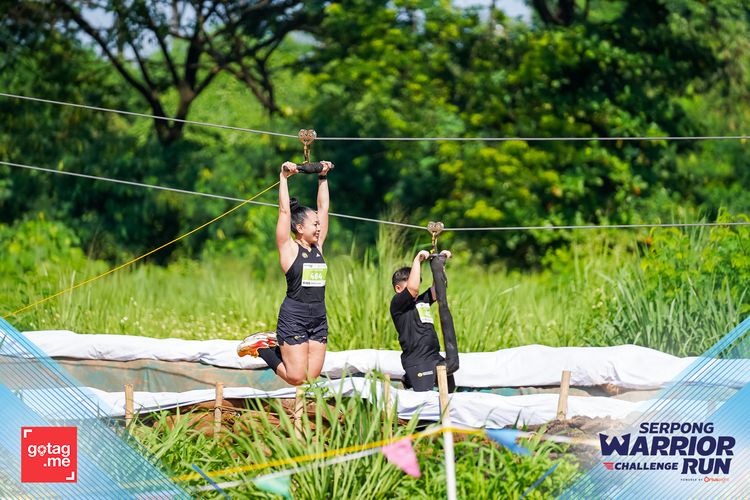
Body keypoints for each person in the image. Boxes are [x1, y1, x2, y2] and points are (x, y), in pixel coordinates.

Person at [237, 160, 332, 385]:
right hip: (294, 316)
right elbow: (284, 211)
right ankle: (263, 347)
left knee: (311, 377)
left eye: (319, 225)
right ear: (299, 228)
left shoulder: (318, 246)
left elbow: (323, 208)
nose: (319, 228)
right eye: (314, 225)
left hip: (318, 316)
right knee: (296, 377)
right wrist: (284, 178)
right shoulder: (289, 249)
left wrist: (323, 176)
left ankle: (278, 343)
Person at [390, 249, 457, 392]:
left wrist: (439, 263)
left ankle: (407, 382)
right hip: (418, 361)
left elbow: (438, 289)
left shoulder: (421, 301)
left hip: (434, 357)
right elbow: (413, 289)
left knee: (450, 395)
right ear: (398, 288)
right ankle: (408, 382)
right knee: (425, 401)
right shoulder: (397, 304)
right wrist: (417, 260)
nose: (417, 289)